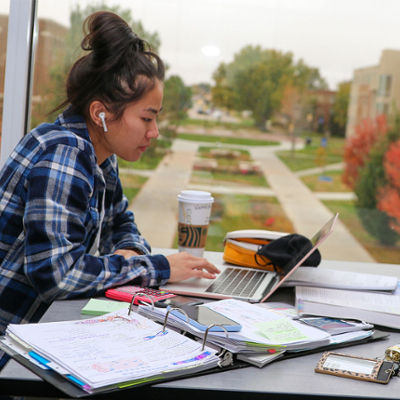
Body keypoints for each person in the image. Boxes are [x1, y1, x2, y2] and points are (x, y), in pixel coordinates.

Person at [0, 11, 219, 370]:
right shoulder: (64, 156)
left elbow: (122, 221)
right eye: (147, 118)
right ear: (101, 113)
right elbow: (58, 278)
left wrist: (130, 251)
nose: (155, 132)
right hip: (14, 352)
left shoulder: (100, 154)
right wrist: (159, 268)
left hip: (46, 334)